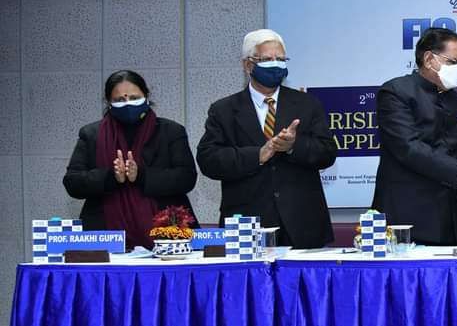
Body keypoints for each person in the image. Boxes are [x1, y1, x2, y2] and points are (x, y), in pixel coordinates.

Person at [196, 29, 336, 248]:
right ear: (248, 65)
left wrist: (293, 146)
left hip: (303, 222)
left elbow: (327, 153)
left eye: (280, 59)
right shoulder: (224, 110)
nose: (275, 64)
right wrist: (258, 155)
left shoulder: (307, 104)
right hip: (247, 223)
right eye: (267, 59)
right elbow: (209, 160)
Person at [372, 27, 457, 245]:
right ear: (429, 59)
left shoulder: (455, 100)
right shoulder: (396, 92)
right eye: (453, 62)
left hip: (450, 218)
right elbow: (410, 149)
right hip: (407, 217)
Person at [63, 70, 198, 250]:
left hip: (168, 234)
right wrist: (110, 177)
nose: (128, 104)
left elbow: (186, 177)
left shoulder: (171, 131)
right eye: (119, 100)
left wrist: (141, 175)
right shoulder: (91, 134)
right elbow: (72, 182)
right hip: (105, 237)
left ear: (146, 96)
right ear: (109, 102)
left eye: (134, 98)